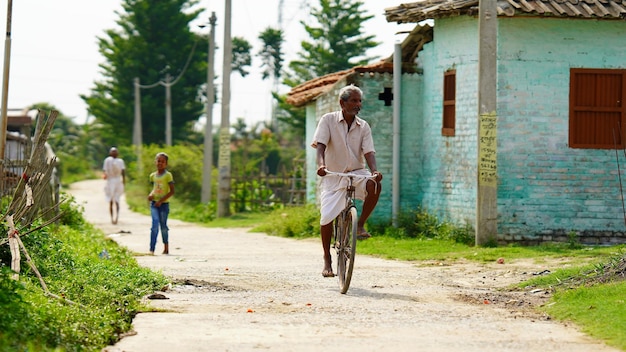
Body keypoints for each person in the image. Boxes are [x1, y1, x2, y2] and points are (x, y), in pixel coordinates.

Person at [310, 84, 383, 278]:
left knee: (374, 184)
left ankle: (360, 225)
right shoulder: (328, 120)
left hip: (357, 172)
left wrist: (374, 171)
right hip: (333, 175)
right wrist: (321, 166)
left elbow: (369, 151)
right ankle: (327, 258)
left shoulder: (363, 126)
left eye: (359, 101)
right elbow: (321, 146)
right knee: (326, 217)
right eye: (354, 100)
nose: (358, 104)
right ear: (342, 103)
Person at [148, 152, 175, 255]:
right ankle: (152, 249)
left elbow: (172, 191)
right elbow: (154, 189)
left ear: (166, 163)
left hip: (164, 205)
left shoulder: (168, 176)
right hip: (154, 204)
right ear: (155, 162)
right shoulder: (152, 176)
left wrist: (161, 201)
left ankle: (166, 247)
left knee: (163, 226)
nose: (160, 163)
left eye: (162, 162)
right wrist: (151, 195)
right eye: (158, 161)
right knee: (154, 224)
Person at [102, 147, 126, 225]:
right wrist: (105, 175)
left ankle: (117, 217)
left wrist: (124, 181)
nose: (114, 153)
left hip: (118, 181)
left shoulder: (120, 161)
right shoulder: (107, 160)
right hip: (110, 181)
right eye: (112, 152)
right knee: (111, 201)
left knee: (117, 200)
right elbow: (105, 171)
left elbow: (123, 171)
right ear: (110, 153)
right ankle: (112, 218)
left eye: (115, 151)